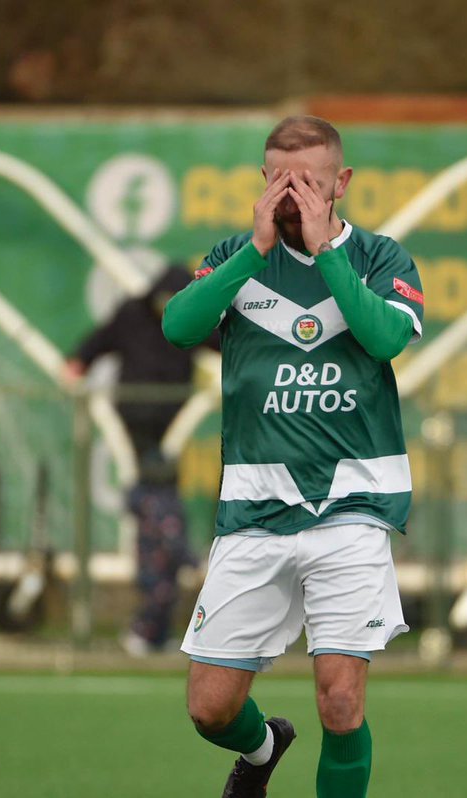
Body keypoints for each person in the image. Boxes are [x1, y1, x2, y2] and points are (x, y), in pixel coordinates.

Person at [162, 115, 424, 798]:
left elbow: (385, 337)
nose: (292, 193)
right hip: (254, 508)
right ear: (261, 180)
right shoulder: (234, 255)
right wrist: (255, 250)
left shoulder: (381, 257)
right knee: (209, 708)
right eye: (279, 178)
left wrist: (325, 251)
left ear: (342, 182)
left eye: (308, 180)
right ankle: (262, 747)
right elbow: (179, 326)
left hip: (352, 507)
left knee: (340, 701)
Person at [63, 266, 211, 655]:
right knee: (161, 530)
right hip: (132, 437)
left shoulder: (192, 320)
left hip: (169, 438)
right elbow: (99, 340)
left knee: (158, 534)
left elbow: (227, 344)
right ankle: (155, 618)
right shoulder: (133, 314)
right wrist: (77, 361)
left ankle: (152, 626)